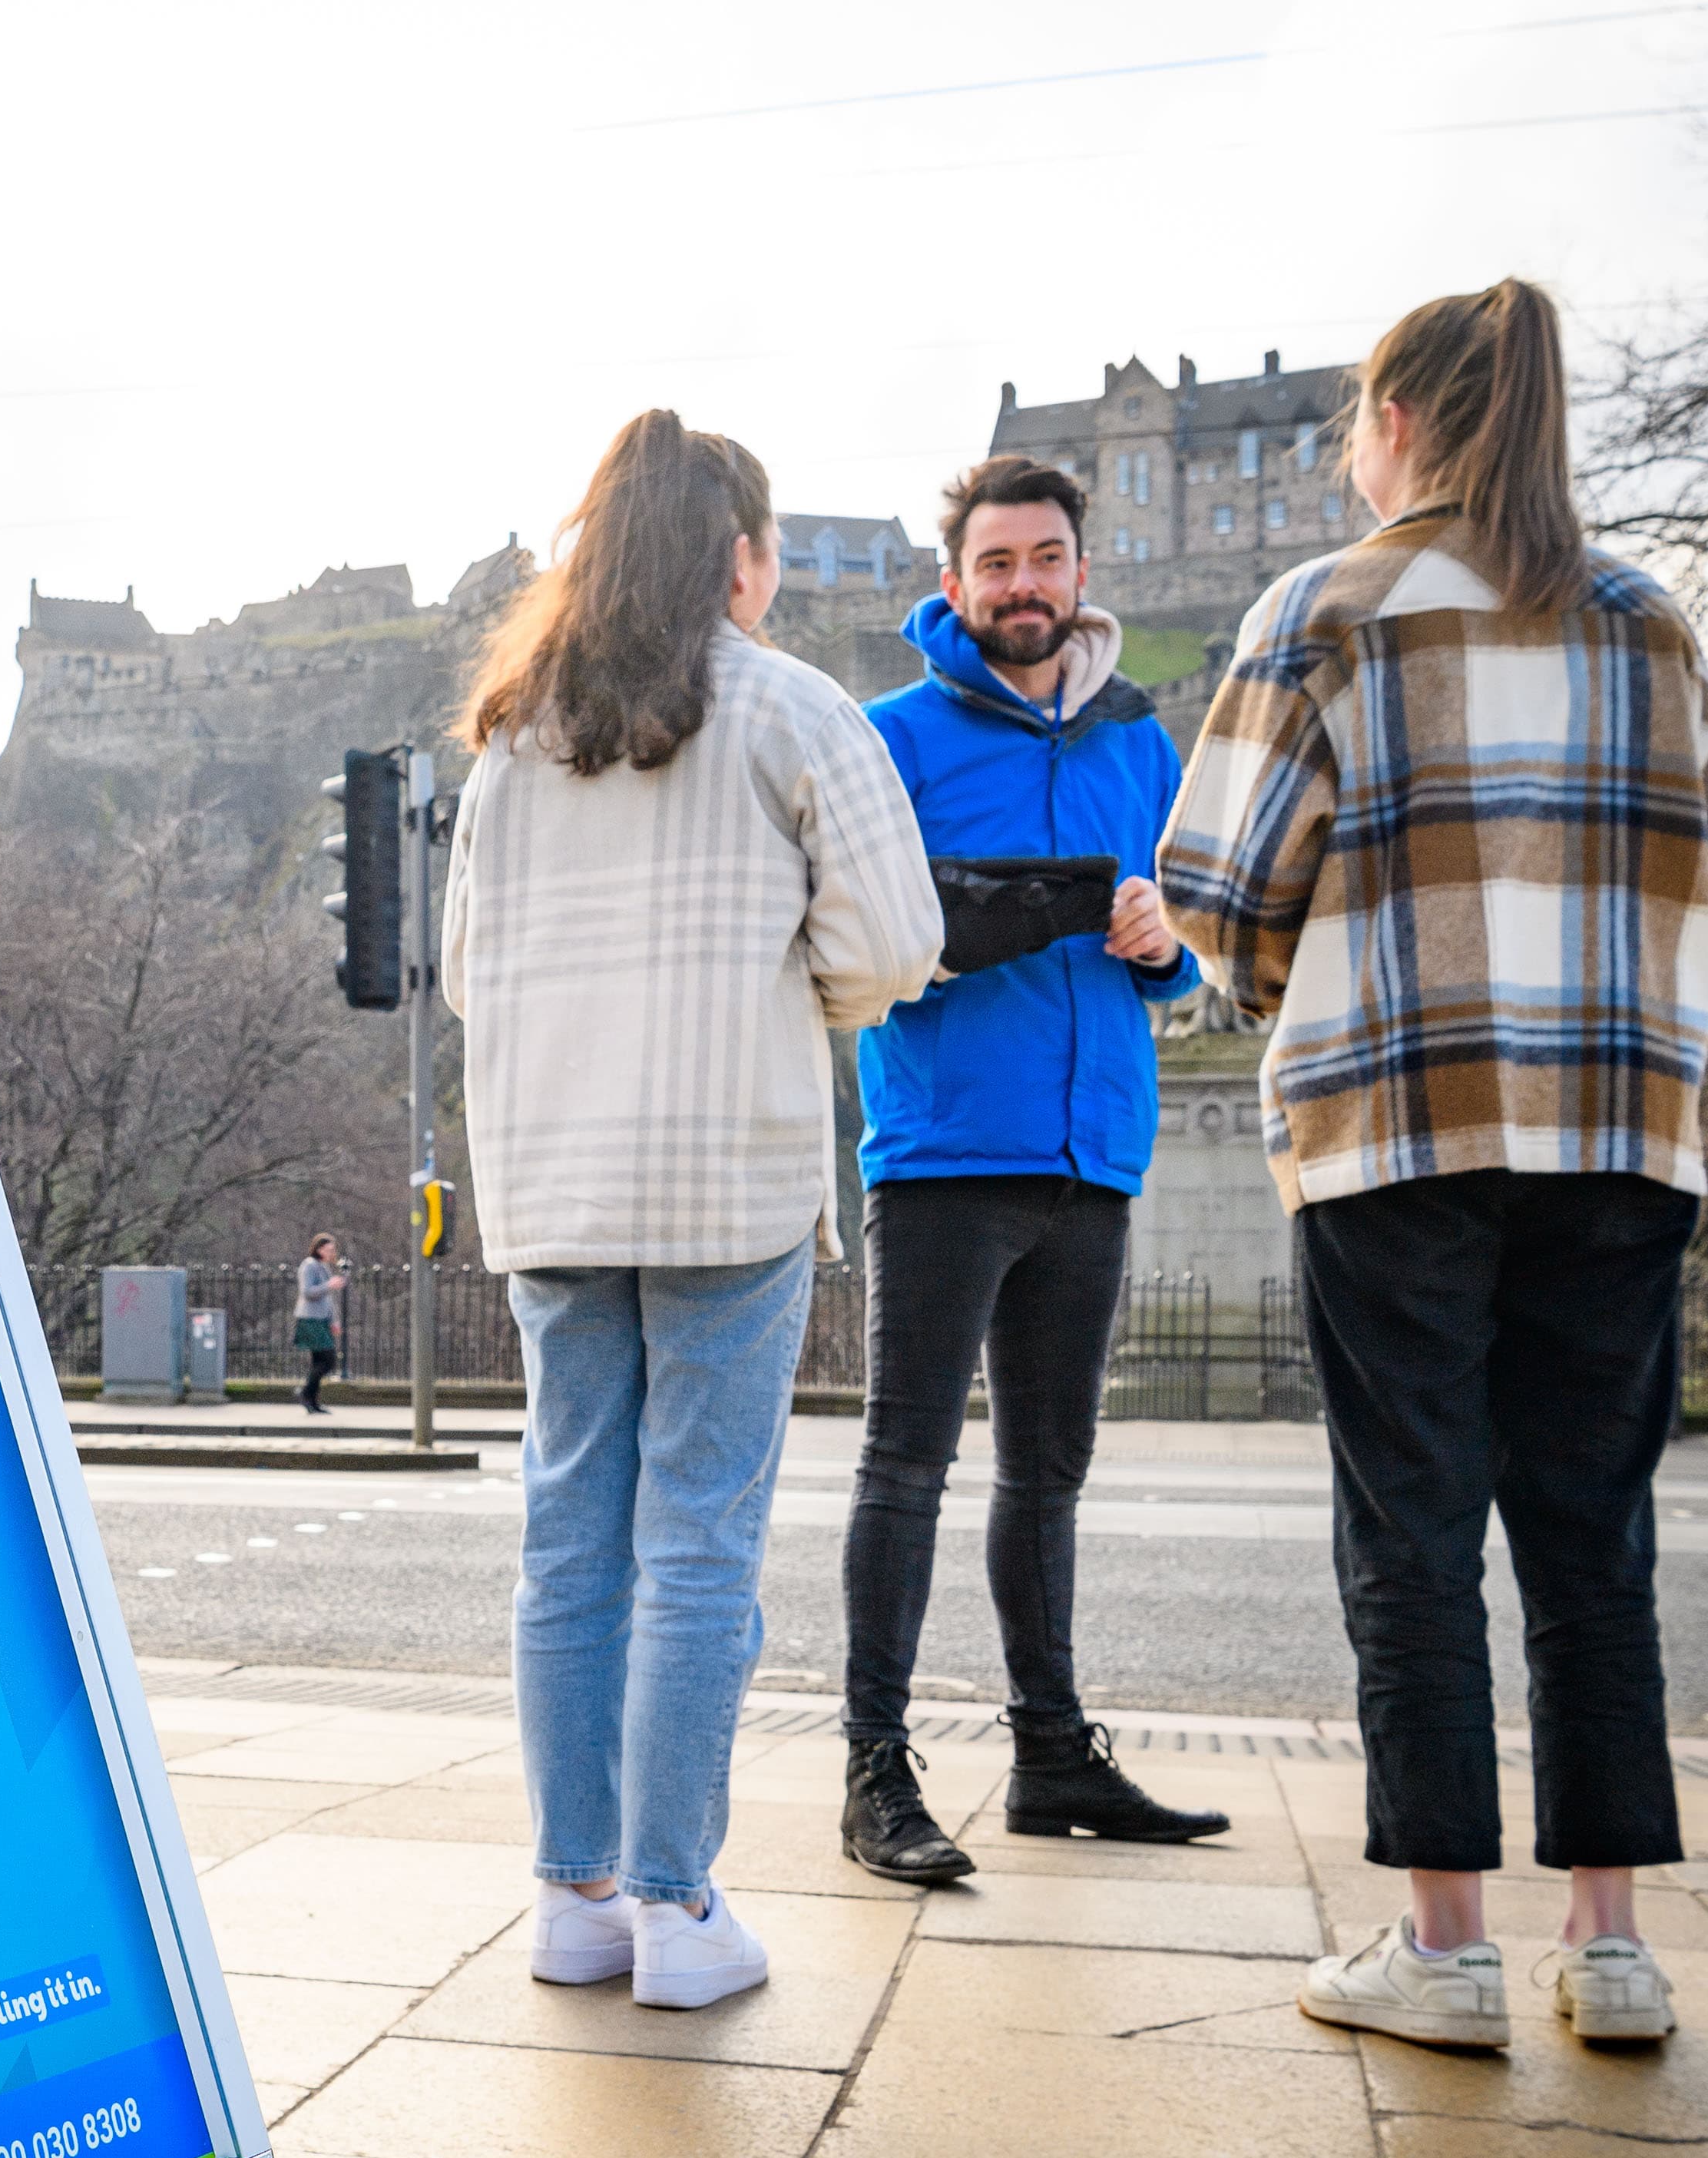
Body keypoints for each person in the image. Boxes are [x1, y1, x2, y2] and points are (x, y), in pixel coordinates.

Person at [1161, 280, 1708, 2050]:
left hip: (1394, 1127)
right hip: (1614, 1130)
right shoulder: (1646, 621)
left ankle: (1439, 1943)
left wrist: (1288, 982)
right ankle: (1610, 1941)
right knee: (1591, 1533)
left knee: (1408, 1526)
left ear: (1400, 426)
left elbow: (1215, 890)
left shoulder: (1320, 612)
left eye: (1355, 422)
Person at [442, 412, 943, 2008]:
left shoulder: (512, 742)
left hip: (555, 1184)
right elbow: (892, 950)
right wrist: (765, 986)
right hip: (725, 1173)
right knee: (695, 1548)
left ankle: (569, 1897)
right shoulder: (793, 712)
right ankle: (674, 1908)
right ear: (738, 557)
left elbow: (463, 975)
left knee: (565, 1542)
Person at [833, 458, 1232, 1884]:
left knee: (1047, 1475)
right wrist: (985, 918)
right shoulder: (888, 737)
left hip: (1094, 1155)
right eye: (994, 564)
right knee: (905, 1464)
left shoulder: (1137, 743)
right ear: (955, 587)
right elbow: (849, 936)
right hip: (944, 1150)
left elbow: (1190, 955)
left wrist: (1156, 943)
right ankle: (872, 1770)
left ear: (1080, 572)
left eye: (1045, 559)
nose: (1022, 586)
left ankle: (1050, 1756)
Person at [293, 1233, 349, 1414]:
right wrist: (329, 1285)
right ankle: (305, 1393)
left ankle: (311, 1400)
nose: (333, 1253)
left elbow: (327, 1300)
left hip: (321, 1319)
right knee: (328, 1360)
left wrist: (334, 1321)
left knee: (319, 1360)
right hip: (310, 1319)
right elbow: (307, 1292)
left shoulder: (323, 1267)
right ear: (319, 1249)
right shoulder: (309, 1265)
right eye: (330, 1250)